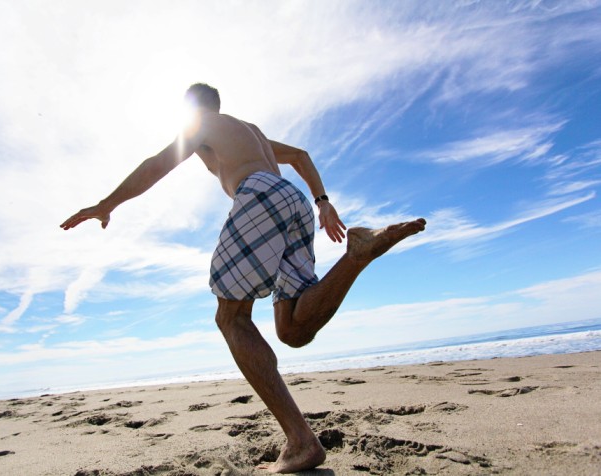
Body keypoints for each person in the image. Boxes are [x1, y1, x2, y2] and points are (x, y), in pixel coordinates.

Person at [60, 83, 426, 473]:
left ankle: (301, 440)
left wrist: (106, 205)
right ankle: (356, 256)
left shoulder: (201, 125)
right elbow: (300, 155)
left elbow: (157, 164)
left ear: (190, 110)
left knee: (232, 317)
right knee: (292, 329)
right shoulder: (249, 131)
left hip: (259, 194)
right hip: (295, 202)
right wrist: (322, 201)